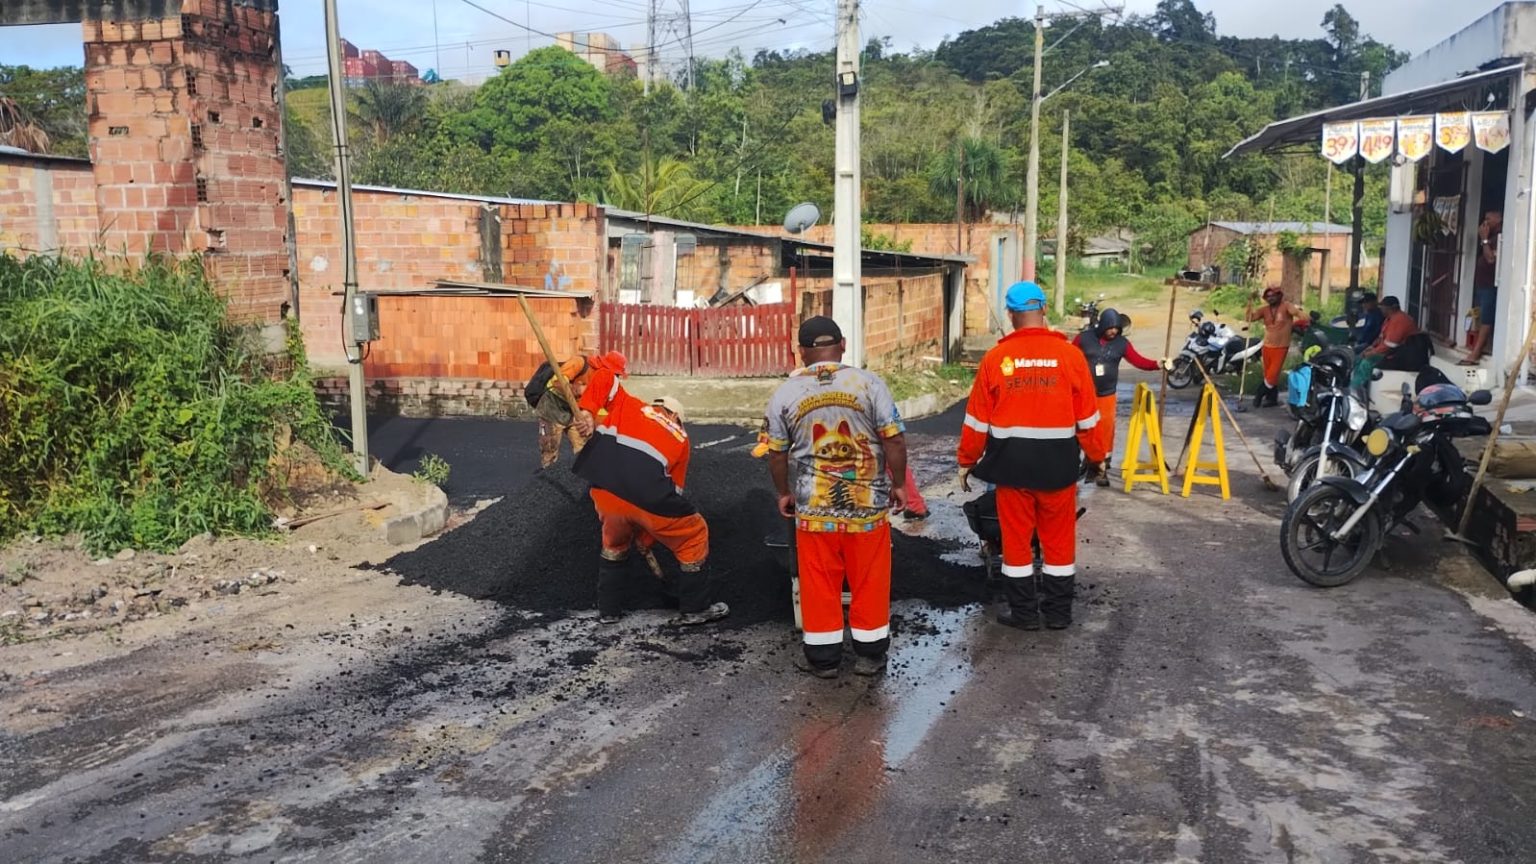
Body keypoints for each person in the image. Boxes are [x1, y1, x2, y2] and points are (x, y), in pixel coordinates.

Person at [762, 316, 909, 678]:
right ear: (843, 345)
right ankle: (870, 655)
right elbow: (893, 439)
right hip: (868, 506)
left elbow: (776, 452)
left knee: (818, 582)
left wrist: (783, 492)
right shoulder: (869, 384)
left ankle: (824, 660)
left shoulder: (785, 393)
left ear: (801, 352)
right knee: (869, 579)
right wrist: (900, 483)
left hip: (815, 510)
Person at [958, 281, 1103, 631]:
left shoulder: (996, 359)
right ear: (1044, 310)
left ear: (1010, 315)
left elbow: (977, 421)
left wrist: (966, 462)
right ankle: (1058, 614)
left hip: (1012, 468)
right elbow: (1088, 418)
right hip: (1058, 467)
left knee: (1018, 544)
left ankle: (1024, 614)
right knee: (1058, 542)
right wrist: (1096, 458)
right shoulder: (1070, 356)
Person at [572, 378, 728, 626]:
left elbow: (607, 380)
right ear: (676, 416)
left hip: (605, 491)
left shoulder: (630, 405)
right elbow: (670, 496)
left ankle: (609, 612)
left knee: (614, 544)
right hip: (648, 497)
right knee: (694, 534)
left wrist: (587, 411)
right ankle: (695, 607)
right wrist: (648, 537)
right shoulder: (681, 437)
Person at [1071, 308, 1162, 487]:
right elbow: (1069, 356)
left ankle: (1101, 469)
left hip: (1107, 396)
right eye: (1110, 328)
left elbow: (1138, 360)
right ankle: (1082, 463)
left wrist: (1157, 364)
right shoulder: (1084, 338)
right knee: (1082, 431)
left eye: (1116, 328)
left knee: (1104, 432)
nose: (1113, 331)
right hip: (1083, 394)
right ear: (1103, 325)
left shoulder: (1122, 344)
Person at [1246, 287, 1308, 408]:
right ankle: (1272, 399)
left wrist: (1307, 318)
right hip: (1267, 346)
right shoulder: (1264, 310)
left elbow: (1298, 314)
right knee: (1268, 374)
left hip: (1281, 347)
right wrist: (1249, 303)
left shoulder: (1286, 306)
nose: (1271, 298)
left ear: (1279, 296)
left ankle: (1259, 395)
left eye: (1273, 295)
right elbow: (1250, 318)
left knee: (1272, 375)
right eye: (1268, 296)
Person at [531, 355, 594, 469]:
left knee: (583, 446)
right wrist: (577, 390)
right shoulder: (578, 362)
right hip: (552, 408)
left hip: (574, 412)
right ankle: (547, 476)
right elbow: (557, 382)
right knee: (549, 448)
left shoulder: (604, 381)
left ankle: (582, 477)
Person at [1463, 209, 1502, 365]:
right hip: (1483, 284)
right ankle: (1479, 346)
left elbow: (1491, 259)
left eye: (1488, 219)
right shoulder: (1491, 236)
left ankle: (1476, 352)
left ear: (1499, 219)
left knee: (1486, 319)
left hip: (1490, 286)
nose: (1485, 222)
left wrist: (1484, 240)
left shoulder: (1499, 236)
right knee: (1480, 317)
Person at [1364, 296, 1424, 371]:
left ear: (1392, 308)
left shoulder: (1400, 320)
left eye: (1383, 307)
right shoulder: (1389, 319)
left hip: (1401, 356)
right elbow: (1381, 337)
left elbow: (1390, 345)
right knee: (1361, 356)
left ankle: (1359, 383)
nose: (1381, 309)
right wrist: (1372, 347)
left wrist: (1373, 352)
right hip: (1390, 353)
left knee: (1365, 363)